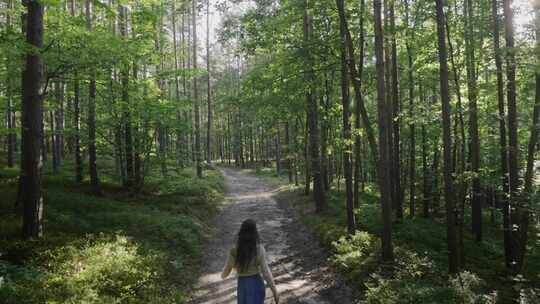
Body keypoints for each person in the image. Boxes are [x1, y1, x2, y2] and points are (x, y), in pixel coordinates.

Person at [221, 219, 279, 304]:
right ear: (255, 233)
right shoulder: (259, 249)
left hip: (242, 286)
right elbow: (266, 272)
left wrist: (223, 275)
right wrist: (274, 290)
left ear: (241, 232)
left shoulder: (234, 250)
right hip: (256, 284)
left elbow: (227, 269)